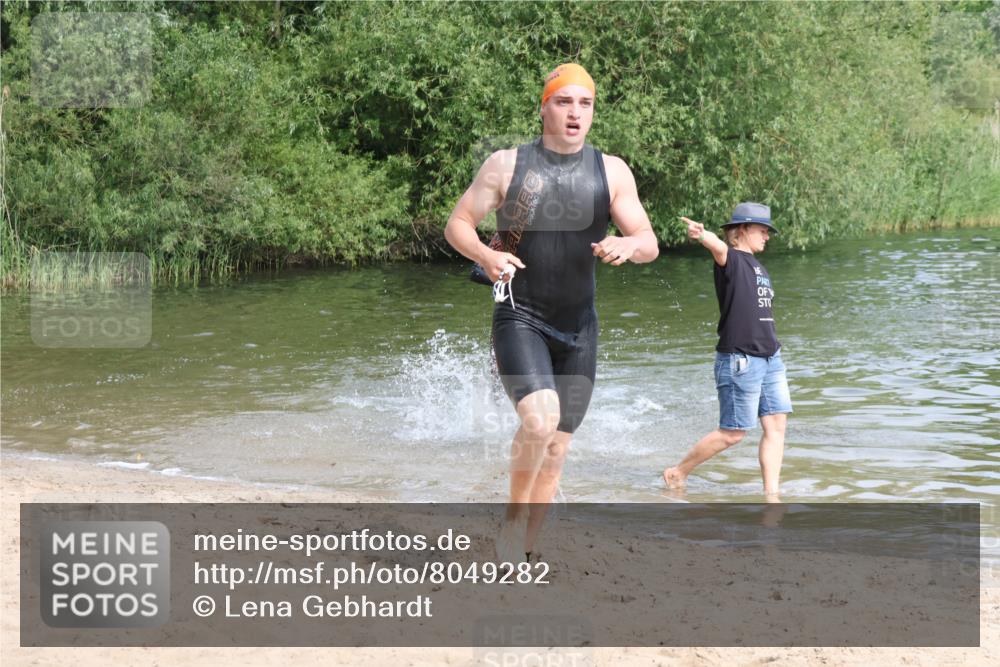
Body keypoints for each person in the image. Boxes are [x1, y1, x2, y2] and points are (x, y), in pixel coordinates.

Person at [444, 63, 659, 562]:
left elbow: (649, 242)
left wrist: (629, 245)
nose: (575, 113)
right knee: (540, 423)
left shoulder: (612, 171)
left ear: (593, 113)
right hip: (521, 316)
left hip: (579, 328)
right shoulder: (506, 165)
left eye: (585, 104)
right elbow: (458, 224)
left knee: (558, 447)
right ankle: (512, 526)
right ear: (545, 107)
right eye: (565, 102)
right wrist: (485, 255)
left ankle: (523, 552)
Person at [662, 203, 792, 502]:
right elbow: (718, 248)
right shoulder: (730, 259)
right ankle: (677, 472)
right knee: (733, 433)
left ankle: (771, 496)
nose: (767, 236)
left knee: (776, 424)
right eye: (763, 230)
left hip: (770, 357)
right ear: (743, 230)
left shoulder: (758, 266)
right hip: (741, 358)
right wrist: (702, 234)